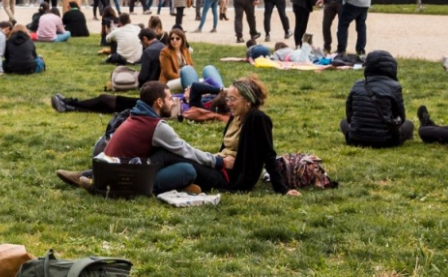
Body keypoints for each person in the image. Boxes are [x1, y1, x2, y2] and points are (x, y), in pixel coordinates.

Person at [69, 82, 217, 194]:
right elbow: (185, 150)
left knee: (165, 155)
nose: (173, 102)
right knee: (188, 171)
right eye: (170, 99)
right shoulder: (155, 125)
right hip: (125, 177)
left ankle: (89, 175)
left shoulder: (136, 115)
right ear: (159, 102)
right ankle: (103, 187)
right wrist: (216, 160)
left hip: (113, 166)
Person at [187, 77, 300, 196]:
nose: (228, 103)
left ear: (248, 100)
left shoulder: (258, 118)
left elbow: (268, 154)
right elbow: (225, 148)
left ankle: (187, 184)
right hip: (219, 164)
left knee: (186, 166)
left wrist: (282, 189)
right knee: (183, 159)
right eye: (227, 99)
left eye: (232, 99)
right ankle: (186, 185)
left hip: (231, 177)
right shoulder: (235, 117)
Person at [341, 51, 413, 147]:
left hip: (355, 139)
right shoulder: (394, 86)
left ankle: (359, 134)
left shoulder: (358, 84)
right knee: (409, 124)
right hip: (386, 141)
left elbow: (349, 114)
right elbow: (401, 117)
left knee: (343, 122)